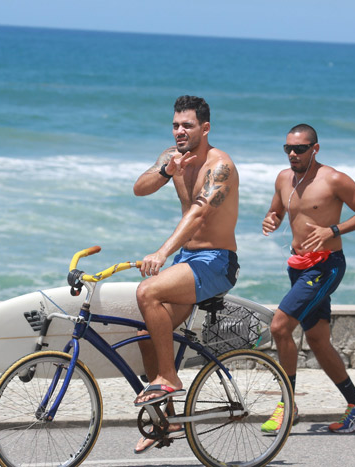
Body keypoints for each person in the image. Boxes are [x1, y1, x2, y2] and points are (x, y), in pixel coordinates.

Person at [131, 95, 240, 453]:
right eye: (176, 124)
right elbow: (139, 188)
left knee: (147, 292)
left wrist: (162, 253)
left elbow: (197, 214)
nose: (179, 131)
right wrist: (167, 170)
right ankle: (168, 420)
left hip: (216, 262)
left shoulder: (219, 166)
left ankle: (169, 377)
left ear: (204, 128)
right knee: (150, 336)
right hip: (188, 259)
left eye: (187, 125)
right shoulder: (172, 156)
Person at [261, 123, 355, 434]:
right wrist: (271, 219)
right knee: (317, 340)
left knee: (280, 325)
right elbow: (278, 211)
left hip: (326, 266)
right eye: (288, 148)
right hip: (298, 266)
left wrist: (333, 230)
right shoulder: (284, 178)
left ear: (315, 148)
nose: (293, 154)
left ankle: (287, 405)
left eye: (299, 148)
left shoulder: (334, 179)